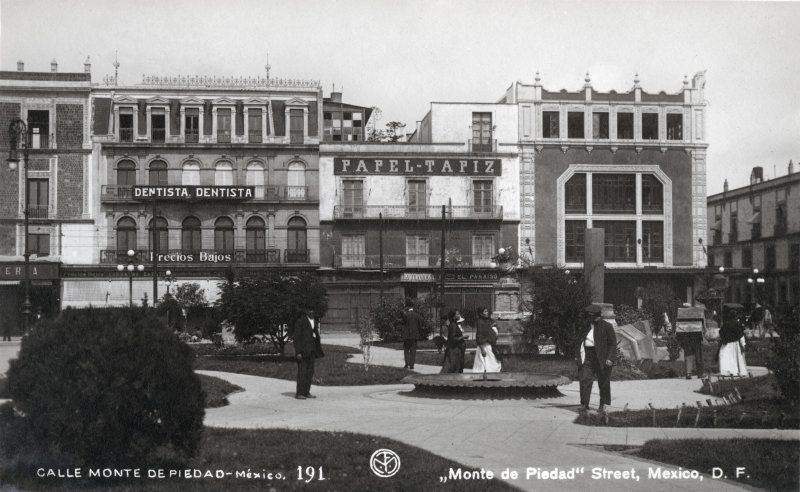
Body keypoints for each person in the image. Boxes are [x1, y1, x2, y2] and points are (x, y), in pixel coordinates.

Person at [578, 304, 617, 414]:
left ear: (599, 316)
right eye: (591, 318)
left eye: (595, 317)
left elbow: (612, 344)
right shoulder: (584, 326)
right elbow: (579, 341)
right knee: (585, 379)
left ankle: (603, 405)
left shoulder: (607, 326)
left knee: (603, 382)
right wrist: (577, 356)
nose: (594, 319)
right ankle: (584, 405)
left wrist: (610, 358)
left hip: (602, 357)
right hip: (587, 356)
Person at [288, 305, 322, 400]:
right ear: (306, 311)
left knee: (310, 372)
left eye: (313, 310)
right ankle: (299, 393)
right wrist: (298, 352)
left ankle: (306, 392)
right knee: (302, 372)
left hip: (312, 350)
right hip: (303, 351)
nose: (311, 312)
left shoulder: (314, 321)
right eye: (309, 310)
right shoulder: (301, 321)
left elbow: (315, 334)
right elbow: (297, 338)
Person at [719, 307, 747, 376]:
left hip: (727, 343)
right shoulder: (738, 324)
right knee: (735, 358)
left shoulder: (726, 324)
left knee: (726, 357)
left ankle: (728, 371)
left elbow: (721, 332)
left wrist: (723, 338)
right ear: (736, 316)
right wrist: (743, 344)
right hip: (735, 343)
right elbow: (741, 335)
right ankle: (736, 371)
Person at [473, 307, 501, 373]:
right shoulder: (480, 322)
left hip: (489, 345)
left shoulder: (487, 321)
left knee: (493, 362)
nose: (487, 313)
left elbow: (488, 331)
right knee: (485, 364)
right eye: (485, 311)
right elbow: (479, 336)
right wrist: (482, 349)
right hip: (484, 346)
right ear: (481, 313)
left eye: (487, 311)